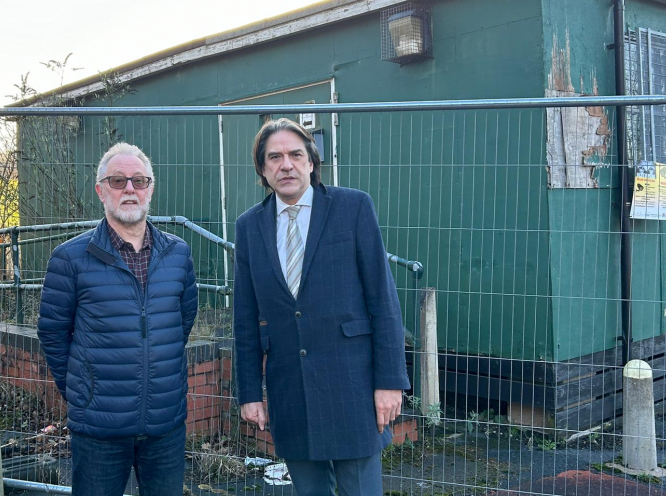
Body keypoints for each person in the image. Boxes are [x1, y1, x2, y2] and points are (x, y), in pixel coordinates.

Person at [234, 118, 410, 495]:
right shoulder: (249, 227)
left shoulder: (353, 207)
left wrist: (390, 382)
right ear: (263, 170)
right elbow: (245, 319)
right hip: (290, 390)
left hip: (354, 386)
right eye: (275, 157)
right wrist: (249, 392)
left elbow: (383, 299)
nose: (286, 165)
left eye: (296, 154)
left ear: (311, 162)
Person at [37, 142, 198, 496]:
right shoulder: (70, 259)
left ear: (150, 188)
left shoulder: (178, 254)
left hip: (165, 426)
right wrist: (86, 391)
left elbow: (182, 322)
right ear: (100, 190)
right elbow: (52, 334)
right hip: (99, 429)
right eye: (118, 180)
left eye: (139, 181)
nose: (129, 189)